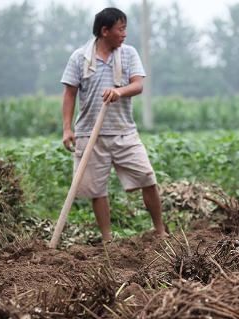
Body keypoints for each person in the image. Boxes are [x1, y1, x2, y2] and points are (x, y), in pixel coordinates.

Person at [60, 7, 168, 241]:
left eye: (125, 28)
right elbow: (69, 93)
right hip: (89, 134)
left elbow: (138, 85)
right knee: (96, 190)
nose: (125, 34)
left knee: (147, 178)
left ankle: (160, 231)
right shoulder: (80, 57)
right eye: (121, 29)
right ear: (105, 31)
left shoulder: (128, 54)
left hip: (123, 131)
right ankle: (108, 240)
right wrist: (67, 128)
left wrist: (119, 92)